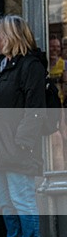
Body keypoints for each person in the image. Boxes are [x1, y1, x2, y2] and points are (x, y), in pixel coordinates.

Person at [0, 15, 46, 237]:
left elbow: (35, 109)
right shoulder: (2, 66)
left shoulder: (30, 66)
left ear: (11, 36)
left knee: (22, 200)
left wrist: (22, 141)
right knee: (6, 201)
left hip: (17, 146)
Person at [47, 36, 66, 170]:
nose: (55, 49)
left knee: (63, 136)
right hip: (50, 106)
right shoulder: (45, 64)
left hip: (61, 105)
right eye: (52, 46)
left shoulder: (63, 64)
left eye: (57, 47)